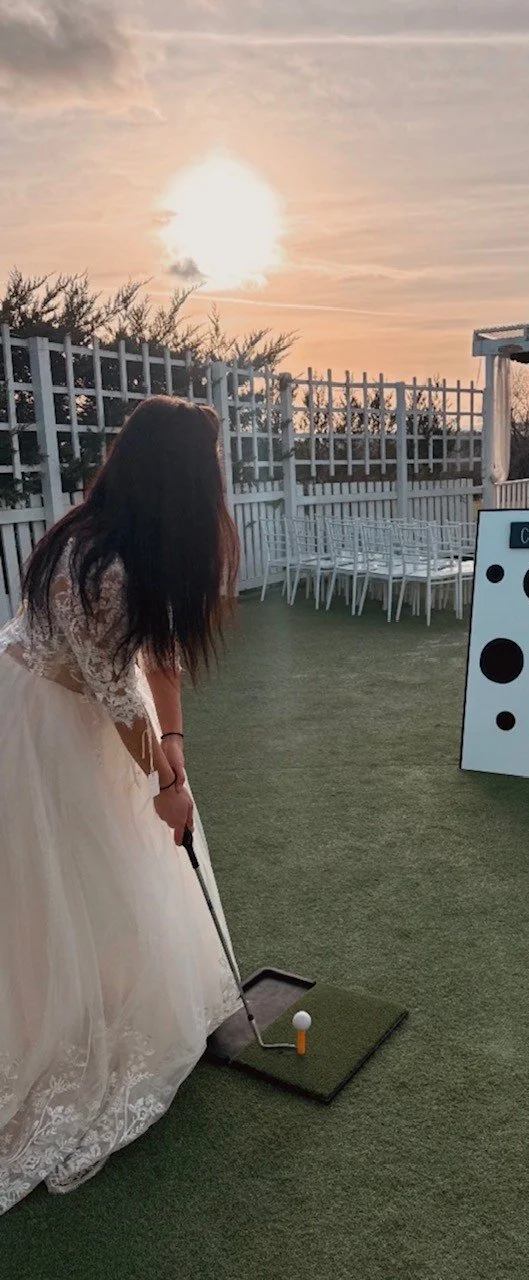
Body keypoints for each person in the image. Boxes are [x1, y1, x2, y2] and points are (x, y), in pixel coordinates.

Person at [0, 396, 243, 1212]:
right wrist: (166, 787)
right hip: (41, 719)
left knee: (115, 868)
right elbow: (114, 693)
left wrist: (176, 749)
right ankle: (57, 1021)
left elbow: (158, 657)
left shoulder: (147, 542)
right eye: (208, 469)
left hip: (93, 705)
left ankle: (107, 993)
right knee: (58, 877)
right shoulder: (95, 558)